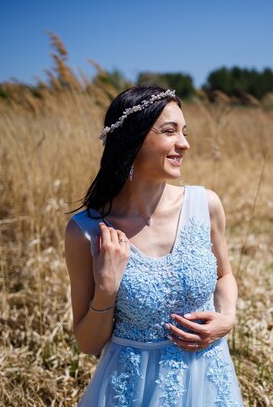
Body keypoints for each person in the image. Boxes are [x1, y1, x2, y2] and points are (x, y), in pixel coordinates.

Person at [64, 86, 245, 406]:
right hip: (132, 393)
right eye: (170, 131)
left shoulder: (205, 205)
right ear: (132, 140)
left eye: (184, 132)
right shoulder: (87, 232)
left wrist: (227, 318)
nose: (184, 144)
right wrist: (106, 288)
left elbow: (223, 276)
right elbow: (89, 344)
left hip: (206, 383)